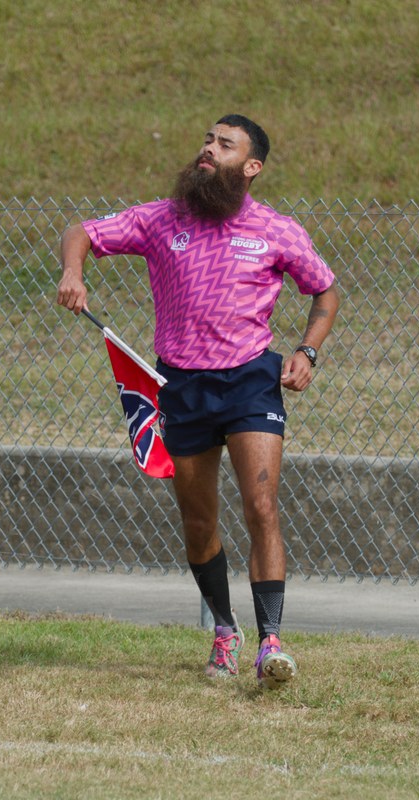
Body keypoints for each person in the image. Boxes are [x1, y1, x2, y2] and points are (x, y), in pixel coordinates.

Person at [57, 114, 339, 689]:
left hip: (250, 381)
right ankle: (225, 632)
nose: (209, 149)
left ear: (251, 166)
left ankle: (271, 642)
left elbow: (326, 293)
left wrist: (307, 351)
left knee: (261, 507)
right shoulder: (162, 218)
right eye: (208, 140)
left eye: (224, 145)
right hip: (180, 385)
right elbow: (80, 231)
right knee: (198, 519)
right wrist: (73, 271)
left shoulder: (277, 230)